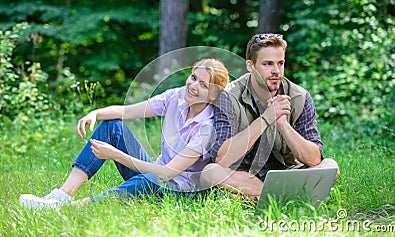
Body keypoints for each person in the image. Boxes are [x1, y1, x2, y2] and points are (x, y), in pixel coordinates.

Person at [19, 58, 230, 209]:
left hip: (179, 192)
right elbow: (127, 111)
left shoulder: (207, 129)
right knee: (112, 125)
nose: (193, 85)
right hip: (155, 175)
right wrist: (95, 113)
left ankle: (67, 209)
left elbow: (166, 173)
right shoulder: (176, 97)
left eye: (203, 85)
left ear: (213, 95)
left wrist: (115, 155)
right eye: (193, 77)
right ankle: (62, 195)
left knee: (150, 180)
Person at [200, 34, 340, 198]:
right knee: (210, 172)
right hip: (244, 176)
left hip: (285, 173)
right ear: (250, 66)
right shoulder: (228, 97)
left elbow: (314, 159)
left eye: (280, 63)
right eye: (268, 64)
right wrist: (266, 118)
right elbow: (222, 158)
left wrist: (283, 125)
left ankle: (259, 198)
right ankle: (284, 196)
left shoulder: (299, 97)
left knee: (331, 165)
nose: (276, 71)